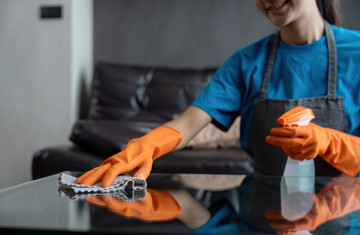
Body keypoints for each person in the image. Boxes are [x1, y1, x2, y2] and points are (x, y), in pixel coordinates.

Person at [76, 0, 360, 188]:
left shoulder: (357, 54)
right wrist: (146, 145)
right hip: (262, 218)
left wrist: (329, 142)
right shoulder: (246, 62)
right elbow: (187, 125)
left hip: (349, 217)